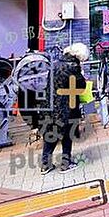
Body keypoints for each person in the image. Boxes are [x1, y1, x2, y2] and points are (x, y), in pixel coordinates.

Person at [40, 42, 88, 174]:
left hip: (49, 103)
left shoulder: (55, 63)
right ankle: (66, 163)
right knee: (67, 133)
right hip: (66, 105)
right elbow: (81, 86)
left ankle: (45, 164)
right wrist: (82, 75)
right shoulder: (73, 67)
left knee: (50, 133)